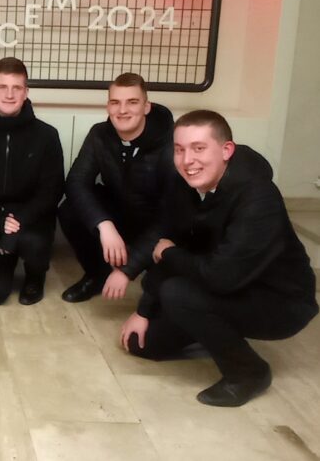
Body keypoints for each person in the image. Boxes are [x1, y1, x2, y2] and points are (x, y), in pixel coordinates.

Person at [120, 110, 318, 407]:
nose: (188, 160)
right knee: (143, 345)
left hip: (279, 300)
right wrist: (144, 310)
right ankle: (209, 327)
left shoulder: (258, 197)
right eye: (179, 150)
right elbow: (175, 243)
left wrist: (170, 253)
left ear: (226, 150)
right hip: (222, 279)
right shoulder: (187, 184)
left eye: (199, 148)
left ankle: (249, 373)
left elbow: (216, 275)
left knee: (177, 293)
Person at [59, 73, 175, 303]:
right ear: (108, 106)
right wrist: (103, 224)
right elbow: (76, 181)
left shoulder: (171, 144)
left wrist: (127, 270)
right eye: (115, 102)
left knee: (162, 293)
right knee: (69, 210)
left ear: (146, 107)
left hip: (157, 226)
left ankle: (142, 276)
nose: (122, 110)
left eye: (132, 102)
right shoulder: (99, 134)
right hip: (118, 216)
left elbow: (170, 217)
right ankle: (97, 275)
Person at [0, 58, 64, 306]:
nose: (9, 94)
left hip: (31, 221)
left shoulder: (47, 136)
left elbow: (52, 191)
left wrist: (18, 220)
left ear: (26, 92)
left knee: (34, 244)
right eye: (3, 87)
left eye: (17, 88)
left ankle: (35, 276)